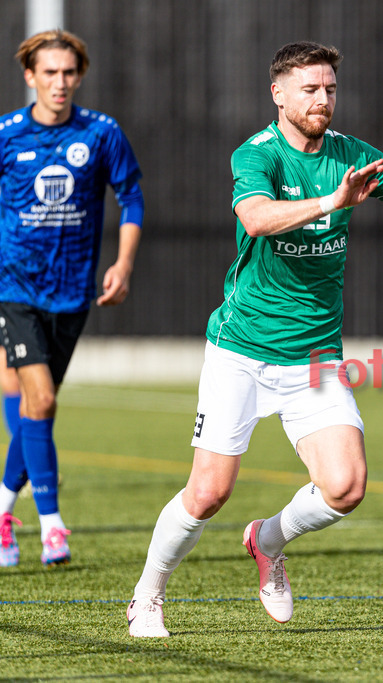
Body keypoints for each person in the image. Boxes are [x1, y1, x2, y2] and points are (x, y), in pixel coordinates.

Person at [125, 41, 383, 638]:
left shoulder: (349, 154)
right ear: (278, 94)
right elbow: (256, 217)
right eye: (310, 89)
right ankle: (147, 595)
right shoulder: (257, 156)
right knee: (207, 494)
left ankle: (267, 540)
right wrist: (330, 202)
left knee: (346, 487)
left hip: (314, 357)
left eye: (330, 89)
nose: (323, 100)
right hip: (242, 351)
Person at [0, 29, 144, 568]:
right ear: (30, 76)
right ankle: (54, 525)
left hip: (74, 291)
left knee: (36, 408)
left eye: (68, 73)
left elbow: (131, 197)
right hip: (13, 288)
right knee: (42, 400)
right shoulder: (7, 134)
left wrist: (123, 264)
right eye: (49, 72)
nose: (59, 82)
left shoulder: (102, 133)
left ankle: (2, 511)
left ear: (79, 76)